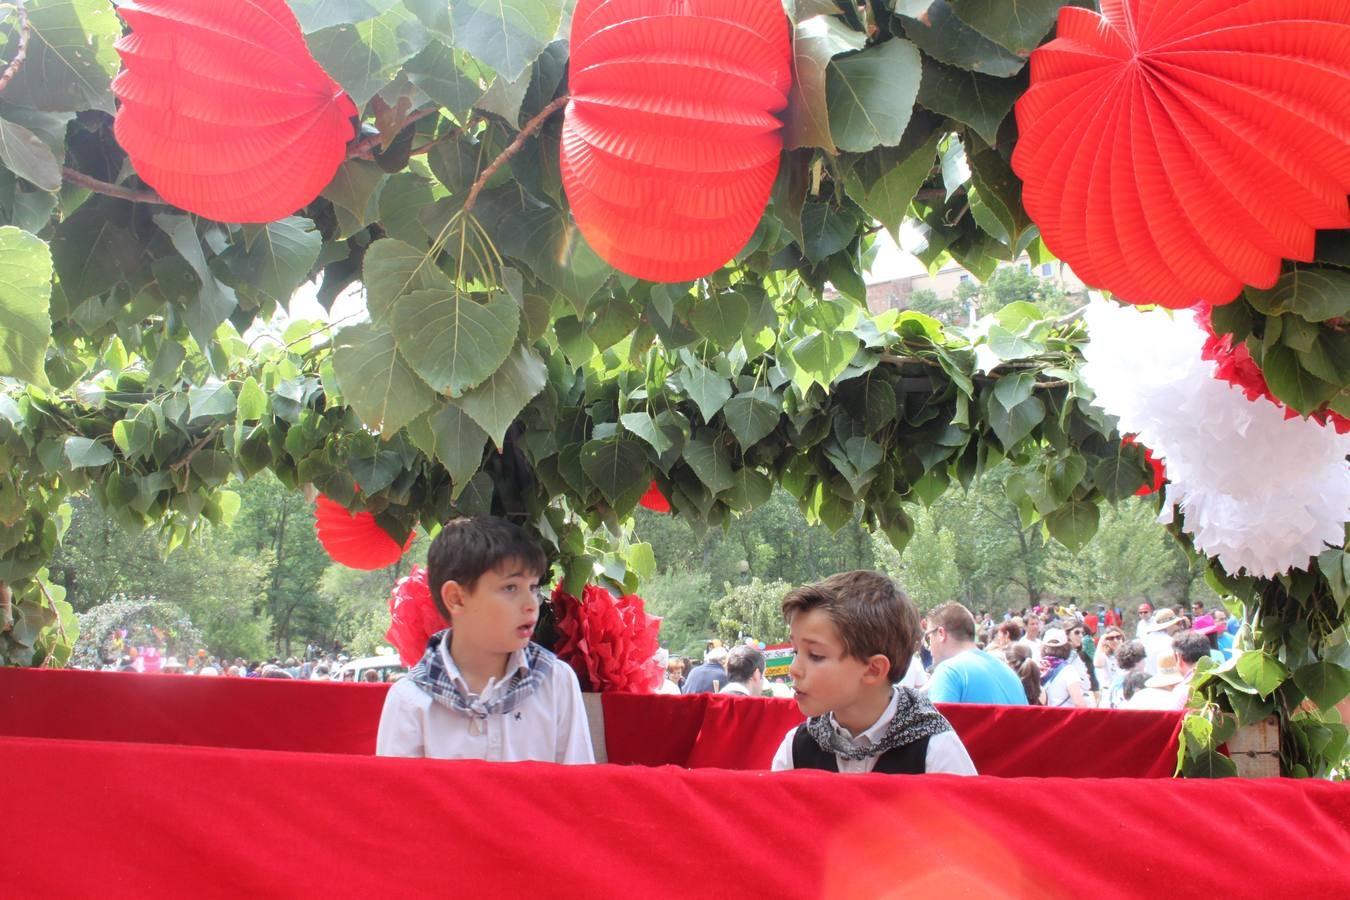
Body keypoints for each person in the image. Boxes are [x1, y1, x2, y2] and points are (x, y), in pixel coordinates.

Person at [376, 517, 594, 763]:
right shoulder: (410, 699)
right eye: (510, 587)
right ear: (456, 598)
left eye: (533, 587)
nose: (531, 604)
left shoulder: (556, 681)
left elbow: (579, 789)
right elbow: (397, 797)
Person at [770, 571, 976, 775]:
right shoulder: (796, 749)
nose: (794, 669)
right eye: (795, 651)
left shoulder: (935, 749)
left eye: (815, 655)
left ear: (873, 669)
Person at [923, 602, 1028, 705]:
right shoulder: (1010, 674)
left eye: (928, 638)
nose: (929, 647)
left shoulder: (948, 671)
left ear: (941, 633)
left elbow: (937, 722)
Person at [1040, 628, 1092, 708]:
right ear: (1066, 647)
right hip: (1062, 717)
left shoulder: (1036, 667)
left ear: (1044, 647)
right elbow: (1079, 704)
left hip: (1041, 716)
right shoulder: (1068, 670)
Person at [1105, 639, 1147, 709]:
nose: (1145, 662)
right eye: (1143, 659)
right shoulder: (1138, 681)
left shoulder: (1115, 681)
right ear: (1137, 661)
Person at [1142, 608, 1182, 675]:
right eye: (1178, 623)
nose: (1179, 627)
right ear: (1170, 625)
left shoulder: (1147, 641)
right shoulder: (1171, 642)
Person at [1094, 627, 1125, 698]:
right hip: (1108, 692)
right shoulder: (1104, 655)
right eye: (1111, 638)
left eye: (1118, 637)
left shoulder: (1127, 654)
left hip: (1124, 691)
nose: (1115, 640)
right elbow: (1098, 664)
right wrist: (1101, 642)